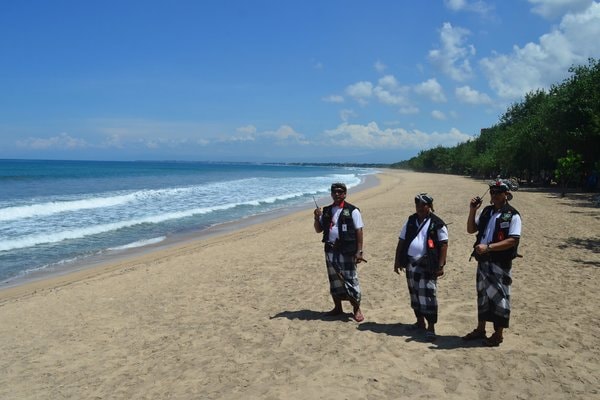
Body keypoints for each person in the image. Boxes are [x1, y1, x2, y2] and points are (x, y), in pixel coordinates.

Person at [463, 178, 522, 347]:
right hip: (483, 261)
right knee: (482, 296)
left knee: (500, 297)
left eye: (498, 193)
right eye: (492, 192)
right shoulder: (487, 211)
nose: (494, 195)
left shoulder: (512, 215)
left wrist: (488, 247)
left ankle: (498, 334)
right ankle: (481, 329)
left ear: (506, 195)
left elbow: (512, 240)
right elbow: (470, 229)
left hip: (500, 262)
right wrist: (473, 210)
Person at [394, 193, 448, 341]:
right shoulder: (411, 220)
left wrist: (441, 265)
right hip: (411, 263)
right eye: (417, 204)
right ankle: (419, 323)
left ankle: (431, 327)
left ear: (429, 206)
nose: (419, 207)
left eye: (422, 205)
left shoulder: (437, 223)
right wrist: (397, 260)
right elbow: (402, 240)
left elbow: (444, 245)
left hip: (428, 264)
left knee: (428, 296)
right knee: (414, 294)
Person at [313, 182, 366, 322]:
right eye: (334, 192)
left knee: (351, 279)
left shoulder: (353, 210)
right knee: (334, 280)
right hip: (330, 250)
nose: (337, 194)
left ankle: (356, 309)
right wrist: (316, 217)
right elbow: (319, 230)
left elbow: (359, 231)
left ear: (345, 194)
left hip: (347, 250)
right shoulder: (326, 210)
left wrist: (359, 251)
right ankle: (338, 308)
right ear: (331, 194)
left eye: (340, 192)